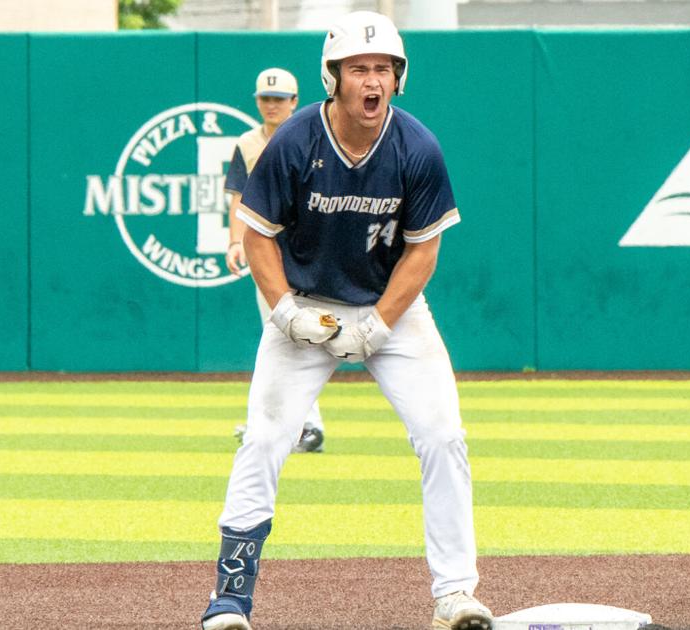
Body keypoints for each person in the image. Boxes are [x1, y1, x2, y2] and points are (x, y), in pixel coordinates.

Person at [201, 11, 492, 630]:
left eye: (383, 68)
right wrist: (283, 310)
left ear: (398, 78)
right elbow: (256, 234)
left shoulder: (417, 147)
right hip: (304, 307)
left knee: (443, 435)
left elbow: (424, 250)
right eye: (358, 68)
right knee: (264, 439)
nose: (372, 80)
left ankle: (455, 595)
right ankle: (229, 600)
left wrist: (380, 326)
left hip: (393, 310)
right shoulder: (295, 142)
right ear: (332, 78)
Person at [224, 67, 325, 454]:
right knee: (278, 333)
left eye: (279, 99)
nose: (271, 104)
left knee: (298, 336)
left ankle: (303, 424)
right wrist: (236, 242)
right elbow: (239, 197)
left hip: (305, 252)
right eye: (266, 98)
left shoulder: (310, 137)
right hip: (265, 252)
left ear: (294, 102)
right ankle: (284, 424)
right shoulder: (248, 143)